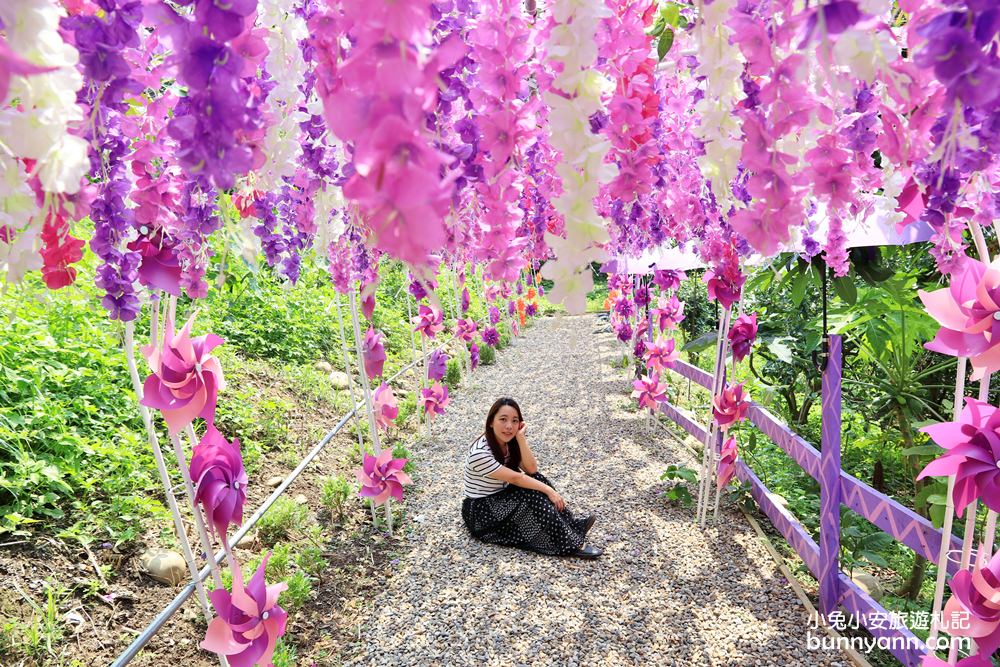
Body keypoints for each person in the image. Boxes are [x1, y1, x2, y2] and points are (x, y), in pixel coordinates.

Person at [461, 397, 602, 558]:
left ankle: (571, 526)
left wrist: (520, 438)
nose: (509, 426)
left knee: (537, 480)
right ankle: (569, 544)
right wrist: (550, 491)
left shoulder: (508, 441)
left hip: (500, 496)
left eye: (515, 421)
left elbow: (531, 469)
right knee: (535, 496)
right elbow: (516, 479)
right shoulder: (480, 454)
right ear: (491, 422)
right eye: (503, 419)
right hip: (481, 511)